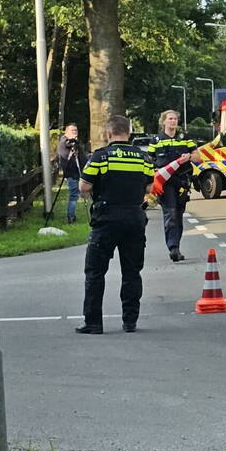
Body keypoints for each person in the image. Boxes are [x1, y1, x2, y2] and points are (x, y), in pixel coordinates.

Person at [76, 115, 156, 334]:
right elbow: (149, 188)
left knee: (95, 272)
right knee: (132, 271)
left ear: (109, 133)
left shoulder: (101, 157)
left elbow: (84, 186)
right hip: (134, 218)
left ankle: (93, 323)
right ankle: (130, 321)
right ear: (129, 134)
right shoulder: (143, 157)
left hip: (107, 219)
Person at [149, 110, 201, 262]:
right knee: (170, 213)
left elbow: (198, 157)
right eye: (170, 119)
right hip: (165, 183)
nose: (173, 121)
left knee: (178, 214)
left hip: (181, 182)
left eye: (175, 119)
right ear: (163, 121)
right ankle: (173, 247)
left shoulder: (185, 138)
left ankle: (176, 246)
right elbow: (149, 160)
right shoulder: (156, 140)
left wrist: (189, 156)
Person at [56, 123, 86, 223]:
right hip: (72, 172)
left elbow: (82, 156)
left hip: (78, 172)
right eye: (72, 130)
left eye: (76, 130)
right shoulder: (64, 142)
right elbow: (65, 155)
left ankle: (71, 215)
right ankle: (70, 216)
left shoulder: (76, 143)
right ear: (66, 132)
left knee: (76, 194)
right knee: (74, 194)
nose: (74, 132)